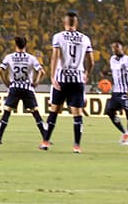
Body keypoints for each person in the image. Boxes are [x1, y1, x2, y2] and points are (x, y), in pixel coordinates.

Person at [42, 10, 93, 153]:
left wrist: (52, 76)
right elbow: (91, 61)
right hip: (77, 79)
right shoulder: (85, 39)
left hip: (61, 79)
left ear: (64, 22)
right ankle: (77, 146)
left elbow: (55, 57)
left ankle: (45, 142)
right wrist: (87, 73)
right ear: (76, 23)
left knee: (54, 110)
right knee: (77, 114)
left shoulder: (58, 37)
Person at [0, 35, 46, 144]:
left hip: (14, 88)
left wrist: (6, 82)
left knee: (6, 112)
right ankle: (45, 138)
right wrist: (36, 82)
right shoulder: (31, 58)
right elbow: (42, 72)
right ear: (26, 45)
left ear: (15, 45)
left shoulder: (9, 57)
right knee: (35, 113)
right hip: (27, 88)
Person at [104, 40, 128, 145]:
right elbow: (115, 73)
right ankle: (124, 132)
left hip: (125, 91)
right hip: (116, 92)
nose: (115, 49)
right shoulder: (112, 59)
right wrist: (106, 73)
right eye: (113, 47)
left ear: (122, 47)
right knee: (109, 111)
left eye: (117, 46)